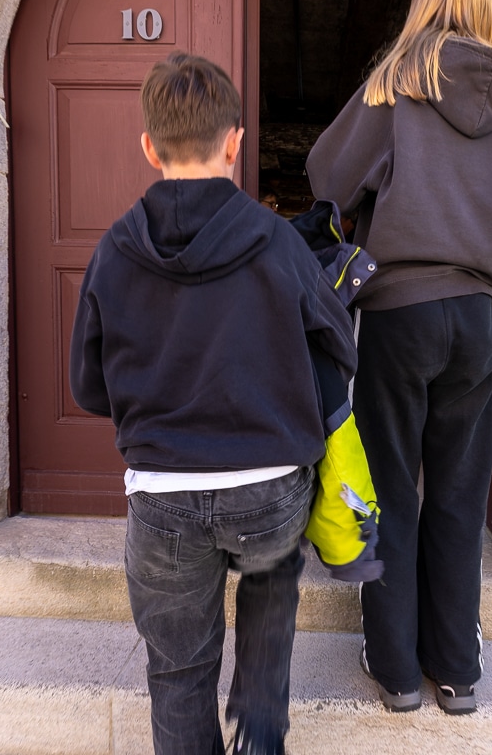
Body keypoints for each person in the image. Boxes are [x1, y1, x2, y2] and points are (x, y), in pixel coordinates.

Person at [69, 52, 359, 755]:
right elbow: (337, 344)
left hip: (162, 493)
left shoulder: (114, 250)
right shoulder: (278, 242)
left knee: (177, 673)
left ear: (149, 147)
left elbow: (87, 387)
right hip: (270, 489)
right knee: (262, 664)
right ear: (235, 142)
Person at [306, 0, 492, 716]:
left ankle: (398, 671)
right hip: (477, 315)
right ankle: (457, 674)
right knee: (461, 497)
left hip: (400, 311)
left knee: (391, 490)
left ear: (424, 4)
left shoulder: (398, 79)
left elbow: (328, 178)